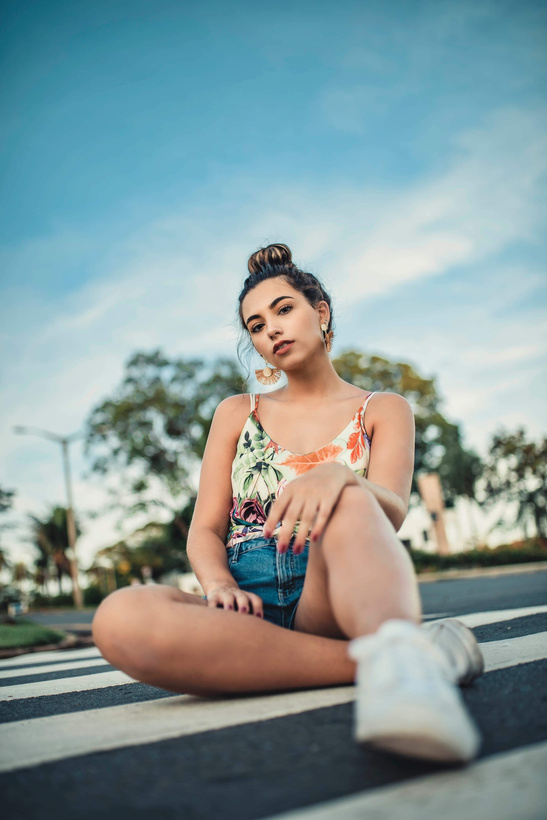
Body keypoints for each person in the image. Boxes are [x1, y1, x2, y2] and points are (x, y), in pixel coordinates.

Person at [92, 243, 484, 764]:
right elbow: (205, 530)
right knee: (119, 618)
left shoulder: (383, 409)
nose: (271, 330)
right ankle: (410, 653)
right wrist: (219, 586)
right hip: (243, 609)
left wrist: (338, 477)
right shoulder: (236, 413)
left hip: (328, 593)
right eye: (255, 325)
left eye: (283, 309)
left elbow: (391, 508)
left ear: (320, 313)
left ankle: (406, 680)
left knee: (347, 494)